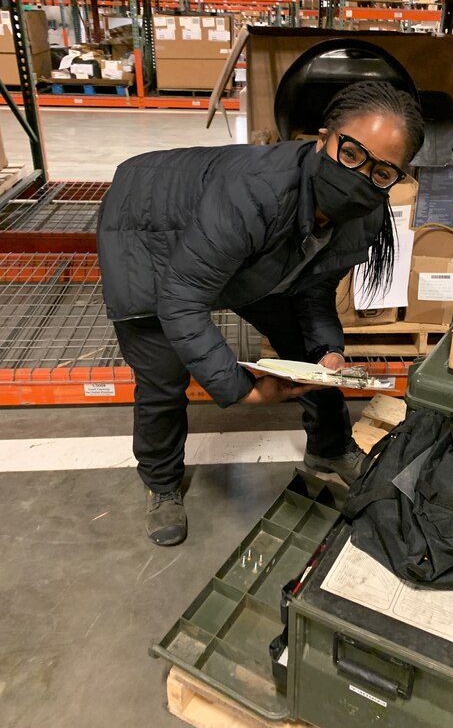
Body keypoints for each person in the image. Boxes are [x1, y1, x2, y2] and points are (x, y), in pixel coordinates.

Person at [97, 80, 424, 547]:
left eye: (381, 171)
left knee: (310, 353)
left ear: (398, 176)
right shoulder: (254, 191)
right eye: (351, 154)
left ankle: (329, 449)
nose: (360, 176)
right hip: (147, 233)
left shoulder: (365, 216)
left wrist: (328, 353)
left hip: (246, 253)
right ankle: (161, 480)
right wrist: (240, 391)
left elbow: (314, 289)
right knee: (163, 372)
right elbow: (182, 295)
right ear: (323, 139)